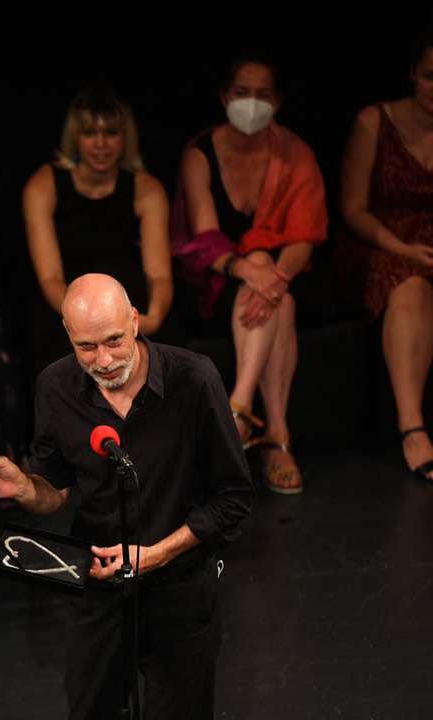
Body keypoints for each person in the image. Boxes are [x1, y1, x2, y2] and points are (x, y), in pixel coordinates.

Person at [0, 273, 254, 720]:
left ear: (134, 320)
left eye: (113, 340)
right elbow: (55, 492)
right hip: (97, 589)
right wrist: (25, 488)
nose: (104, 360)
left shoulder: (194, 379)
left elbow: (234, 498)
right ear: (68, 334)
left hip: (180, 587)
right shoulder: (55, 386)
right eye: (86, 347)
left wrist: (156, 554)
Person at [172, 55, 327, 494]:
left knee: (281, 293)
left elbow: (305, 235)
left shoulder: (296, 154)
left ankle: (237, 413)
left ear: (277, 101)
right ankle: (275, 437)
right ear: (224, 97)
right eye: (242, 93)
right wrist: (250, 272)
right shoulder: (200, 154)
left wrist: (272, 279)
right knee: (275, 299)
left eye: (263, 94)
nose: (252, 103)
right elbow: (205, 239)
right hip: (216, 273)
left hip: (286, 272)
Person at [23, 85, 176, 380]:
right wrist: (84, 320)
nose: (101, 144)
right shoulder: (44, 185)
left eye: (111, 133)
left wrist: (153, 319)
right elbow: (50, 277)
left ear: (125, 137)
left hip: (129, 301)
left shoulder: (146, 188)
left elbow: (159, 276)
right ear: (75, 137)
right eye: (90, 133)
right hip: (66, 303)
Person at [339, 26, 433, 481]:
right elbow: (352, 209)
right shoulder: (375, 120)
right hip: (379, 242)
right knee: (411, 286)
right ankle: (412, 427)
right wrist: (406, 250)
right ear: (413, 73)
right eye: (430, 76)